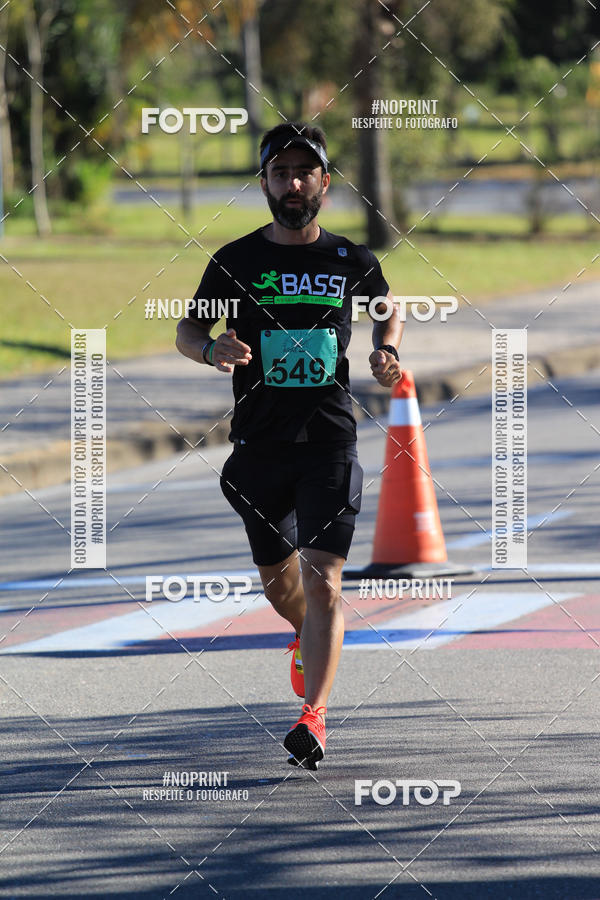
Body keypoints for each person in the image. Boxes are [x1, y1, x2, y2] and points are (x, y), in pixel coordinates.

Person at [176, 122, 403, 769]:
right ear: (265, 184)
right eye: (281, 173)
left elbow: (387, 307)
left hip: (330, 441)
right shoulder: (236, 261)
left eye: (305, 172)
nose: (293, 183)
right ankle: (306, 635)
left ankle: (314, 716)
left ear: (324, 183)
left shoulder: (352, 260)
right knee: (282, 586)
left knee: (323, 580)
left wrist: (386, 349)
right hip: (260, 446)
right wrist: (210, 349)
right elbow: (187, 330)